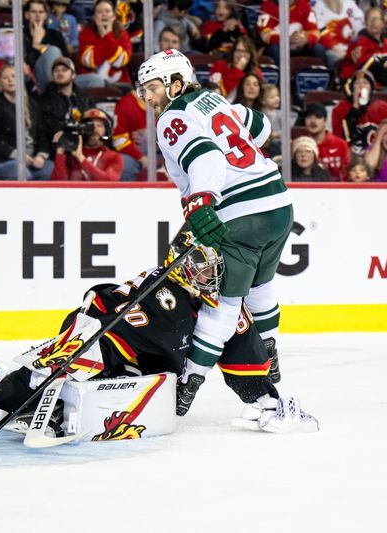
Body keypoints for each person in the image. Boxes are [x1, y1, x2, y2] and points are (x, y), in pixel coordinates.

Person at [0, 232, 318, 437]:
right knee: (37, 380)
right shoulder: (158, 283)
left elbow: (245, 356)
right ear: (182, 262)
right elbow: (99, 299)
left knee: (48, 389)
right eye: (203, 264)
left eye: (214, 265)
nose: (212, 273)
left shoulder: (223, 306)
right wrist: (87, 329)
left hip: (143, 379)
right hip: (113, 351)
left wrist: (268, 399)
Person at [136, 49, 293, 414]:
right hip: (278, 204)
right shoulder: (214, 99)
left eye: (154, 87)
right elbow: (261, 127)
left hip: (240, 215)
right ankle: (270, 352)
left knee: (222, 304)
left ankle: (188, 385)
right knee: (261, 285)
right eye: (143, 90)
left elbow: (205, 156)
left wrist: (201, 202)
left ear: (176, 83)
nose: (148, 97)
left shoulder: (171, 118)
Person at [0, 64, 52, 180]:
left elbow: (42, 135)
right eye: (5, 78)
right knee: (21, 173)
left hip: (31, 160)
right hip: (1, 161)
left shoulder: (32, 104)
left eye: (14, 76)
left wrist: (41, 156)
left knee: (50, 169)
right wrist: (18, 155)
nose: (10, 80)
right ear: (0, 83)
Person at [38, 56, 95, 162]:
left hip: (85, 149)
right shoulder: (45, 100)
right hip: (57, 152)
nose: (59, 73)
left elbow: (93, 124)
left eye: (64, 70)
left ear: (73, 75)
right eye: (56, 70)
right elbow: (49, 130)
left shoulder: (85, 98)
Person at [51, 108, 123, 181]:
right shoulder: (71, 155)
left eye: (99, 125)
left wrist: (81, 158)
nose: (94, 129)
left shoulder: (114, 157)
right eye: (90, 125)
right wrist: (60, 153)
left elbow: (109, 182)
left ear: (106, 131)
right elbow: (57, 185)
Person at [331, 69, 387, 154]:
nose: (361, 86)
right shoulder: (341, 108)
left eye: (365, 83)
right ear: (352, 88)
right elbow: (341, 136)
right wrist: (355, 108)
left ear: (371, 88)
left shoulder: (381, 107)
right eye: (357, 83)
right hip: (350, 153)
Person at [78, 0, 133, 86]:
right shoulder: (85, 34)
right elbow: (91, 62)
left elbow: (120, 62)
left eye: (107, 11)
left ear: (114, 16)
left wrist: (107, 35)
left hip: (119, 82)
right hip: (92, 83)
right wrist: (105, 37)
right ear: (94, 17)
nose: (104, 14)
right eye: (99, 12)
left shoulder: (123, 34)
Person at [257, 0, 324, 65]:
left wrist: (306, 39)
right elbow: (265, 33)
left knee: (318, 48)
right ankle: (279, 75)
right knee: (275, 48)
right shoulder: (268, 5)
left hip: (299, 46)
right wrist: (285, 40)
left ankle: (318, 75)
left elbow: (315, 31)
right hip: (278, 46)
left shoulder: (304, 4)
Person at [24, 0, 69, 92]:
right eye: (33, 12)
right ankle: (54, 93)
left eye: (41, 12)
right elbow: (27, 65)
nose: (37, 15)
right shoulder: (21, 36)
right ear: (26, 15)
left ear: (45, 15)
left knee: (94, 79)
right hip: (34, 81)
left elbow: (67, 61)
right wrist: (36, 43)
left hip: (62, 76)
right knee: (53, 51)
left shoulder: (55, 35)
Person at [338, 7, 387, 82]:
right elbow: (366, 65)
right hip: (355, 83)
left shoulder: (385, 42)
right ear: (365, 23)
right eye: (369, 19)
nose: (373, 22)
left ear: (383, 23)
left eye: (376, 19)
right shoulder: (359, 42)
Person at [303, 103, 349, 181]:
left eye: (318, 117)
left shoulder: (340, 144)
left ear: (325, 121)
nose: (313, 121)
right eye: (309, 117)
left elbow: (347, 173)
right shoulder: (299, 146)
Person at [208, 35, 262, 100]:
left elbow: (259, 98)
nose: (242, 55)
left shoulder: (256, 71)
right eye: (239, 51)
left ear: (250, 55)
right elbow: (217, 94)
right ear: (233, 52)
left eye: (246, 52)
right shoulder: (219, 66)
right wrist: (237, 70)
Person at [314, 0, 364, 69]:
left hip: (353, 47)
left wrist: (356, 35)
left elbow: (360, 23)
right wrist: (336, 49)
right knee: (335, 59)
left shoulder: (349, 3)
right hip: (333, 49)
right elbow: (321, 31)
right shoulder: (319, 6)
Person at [111, 88, 148, 181]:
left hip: (164, 152)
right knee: (125, 164)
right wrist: (141, 157)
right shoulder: (125, 104)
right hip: (137, 154)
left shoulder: (166, 100)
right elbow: (118, 140)